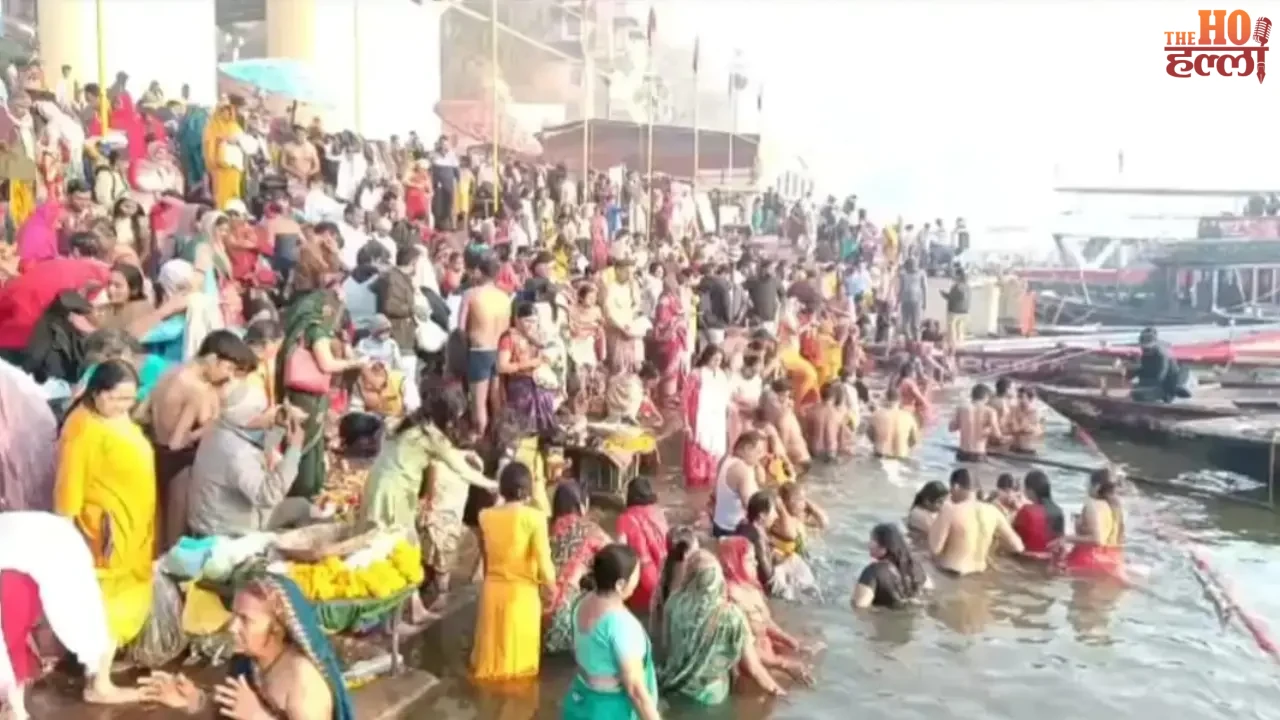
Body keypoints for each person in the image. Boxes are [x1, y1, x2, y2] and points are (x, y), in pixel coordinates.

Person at [140, 574, 354, 720]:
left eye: (245, 619)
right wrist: (196, 700)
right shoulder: (248, 662)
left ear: (277, 628)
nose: (232, 627)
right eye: (234, 616)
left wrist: (259, 717)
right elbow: (233, 711)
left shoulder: (302, 683)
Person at [363, 389, 496, 617]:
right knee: (397, 551)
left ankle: (413, 609)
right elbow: (459, 468)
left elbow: (446, 455)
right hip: (394, 494)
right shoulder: (432, 436)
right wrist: (491, 485)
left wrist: (463, 455)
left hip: (381, 485)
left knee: (406, 548)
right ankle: (385, 617)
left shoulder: (414, 423)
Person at [0, 512, 144, 720]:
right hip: (17, 580)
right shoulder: (63, 543)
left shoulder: (58, 538)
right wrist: (96, 665)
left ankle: (16, 708)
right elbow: (76, 614)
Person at [54, 360, 155, 648]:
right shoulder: (82, 430)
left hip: (132, 526)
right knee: (109, 600)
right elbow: (67, 493)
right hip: (107, 535)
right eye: (117, 398)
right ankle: (98, 678)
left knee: (128, 591)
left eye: (130, 398)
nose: (125, 405)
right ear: (97, 393)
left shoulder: (112, 417)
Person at [277, 246, 363, 498]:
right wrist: (354, 364)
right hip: (307, 391)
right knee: (305, 442)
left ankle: (308, 489)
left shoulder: (303, 306)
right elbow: (326, 363)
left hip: (302, 388)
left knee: (308, 441)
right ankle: (302, 493)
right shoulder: (318, 319)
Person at [656, 549, 784, 704]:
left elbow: (665, 647)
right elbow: (753, 668)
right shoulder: (731, 616)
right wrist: (777, 691)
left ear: (689, 575)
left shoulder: (673, 602)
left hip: (673, 688)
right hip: (710, 696)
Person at [186, 381, 312, 537]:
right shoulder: (237, 453)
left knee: (300, 505)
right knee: (304, 508)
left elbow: (261, 450)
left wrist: (278, 426)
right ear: (250, 416)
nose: (271, 413)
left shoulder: (221, 427)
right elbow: (268, 495)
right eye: (263, 411)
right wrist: (294, 450)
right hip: (226, 530)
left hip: (214, 518)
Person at [471, 462, 556, 683]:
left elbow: (486, 556)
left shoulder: (485, 516)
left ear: (502, 489)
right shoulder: (535, 518)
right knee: (520, 673)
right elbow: (544, 561)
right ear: (527, 490)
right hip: (522, 597)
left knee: (489, 669)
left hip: (492, 593)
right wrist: (552, 590)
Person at [561, 544, 662, 720]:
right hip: (609, 711)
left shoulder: (581, 603)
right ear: (620, 584)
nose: (638, 581)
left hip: (579, 701)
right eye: (636, 575)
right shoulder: (621, 625)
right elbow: (636, 691)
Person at [718, 536, 814, 685]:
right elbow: (743, 650)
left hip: (768, 655)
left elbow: (767, 622)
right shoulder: (730, 596)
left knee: (815, 651)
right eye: (750, 560)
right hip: (753, 668)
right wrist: (782, 663)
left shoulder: (751, 588)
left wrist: (792, 643)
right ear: (734, 562)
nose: (756, 563)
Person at [544, 481, 611, 654]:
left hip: (532, 615)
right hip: (564, 619)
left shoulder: (544, 529)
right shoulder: (590, 530)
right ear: (581, 505)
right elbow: (616, 557)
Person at [928, 468, 1024, 576]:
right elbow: (1018, 546)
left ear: (955, 487)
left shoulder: (950, 510)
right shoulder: (993, 511)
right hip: (979, 575)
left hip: (952, 575)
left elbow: (934, 548)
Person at [461, 254, 510, 438]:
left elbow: (460, 329)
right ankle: (499, 438)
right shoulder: (505, 297)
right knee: (495, 400)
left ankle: (479, 438)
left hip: (478, 351)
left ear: (479, 272)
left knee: (478, 404)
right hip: (498, 350)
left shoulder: (471, 294)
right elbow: (506, 326)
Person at [498, 302, 557, 434]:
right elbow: (502, 367)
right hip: (519, 382)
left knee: (545, 397)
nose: (531, 325)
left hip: (538, 381)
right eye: (527, 321)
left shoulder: (539, 337)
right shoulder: (509, 338)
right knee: (528, 399)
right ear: (517, 320)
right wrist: (530, 363)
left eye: (534, 321)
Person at [614, 477, 668, 615]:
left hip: (641, 585)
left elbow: (621, 555)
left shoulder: (624, 519)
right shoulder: (659, 513)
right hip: (665, 580)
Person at [682, 344, 731, 489]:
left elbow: (725, 402)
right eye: (715, 359)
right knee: (695, 471)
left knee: (712, 473)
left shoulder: (721, 375)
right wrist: (686, 425)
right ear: (707, 358)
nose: (717, 363)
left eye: (720, 360)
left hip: (716, 425)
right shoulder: (695, 375)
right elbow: (684, 400)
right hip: (697, 424)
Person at [852, 523, 931, 609]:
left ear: (884, 547)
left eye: (872, 540)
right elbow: (928, 593)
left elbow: (860, 607)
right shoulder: (916, 567)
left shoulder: (873, 572)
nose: (868, 544)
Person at [1063, 468, 1125, 576]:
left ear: (1096, 487)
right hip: (1113, 558)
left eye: (1088, 484)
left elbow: (1096, 540)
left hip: (1089, 559)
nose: (1086, 487)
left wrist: (1066, 538)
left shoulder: (1091, 505)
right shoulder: (1116, 506)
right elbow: (1120, 538)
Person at [710, 430, 767, 537]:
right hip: (735, 531)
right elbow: (752, 508)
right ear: (747, 449)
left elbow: (714, 494)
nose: (761, 456)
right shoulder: (743, 470)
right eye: (759, 452)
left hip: (718, 527)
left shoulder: (725, 460)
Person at [1011, 470, 1066, 560]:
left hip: (1027, 559)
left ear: (1031, 491)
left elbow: (1013, 538)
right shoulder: (1059, 511)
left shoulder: (1026, 511)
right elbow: (1060, 542)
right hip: (1050, 559)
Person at [1130, 327, 1191, 402]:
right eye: (1143, 349)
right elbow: (1144, 370)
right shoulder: (1146, 355)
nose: (1144, 351)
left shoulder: (1162, 355)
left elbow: (1160, 377)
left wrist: (1142, 384)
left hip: (1166, 384)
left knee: (1137, 395)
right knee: (1135, 392)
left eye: (1147, 349)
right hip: (1155, 381)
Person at [949, 383, 1002, 462]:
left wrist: (965, 424)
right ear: (986, 397)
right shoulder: (990, 411)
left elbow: (951, 428)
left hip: (962, 453)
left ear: (972, 395)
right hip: (978, 454)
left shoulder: (961, 408)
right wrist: (988, 430)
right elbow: (997, 435)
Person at [868, 386, 920, 461]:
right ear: (899, 400)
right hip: (902, 457)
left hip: (880, 456)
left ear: (885, 399)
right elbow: (914, 440)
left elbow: (871, 437)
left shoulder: (875, 415)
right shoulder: (909, 417)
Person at [1005, 386, 1043, 453]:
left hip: (1028, 450)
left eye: (1021, 397)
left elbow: (1016, 428)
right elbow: (1009, 428)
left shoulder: (1034, 413)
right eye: (1018, 396)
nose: (1019, 400)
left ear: (1030, 399)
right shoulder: (1014, 409)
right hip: (1014, 448)